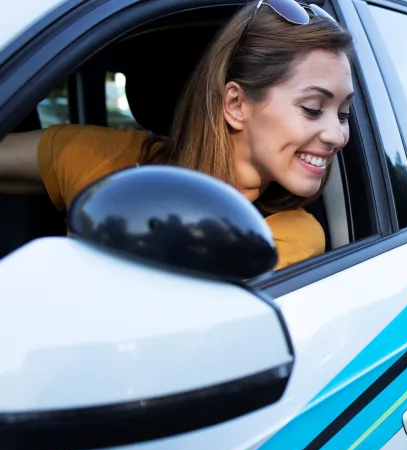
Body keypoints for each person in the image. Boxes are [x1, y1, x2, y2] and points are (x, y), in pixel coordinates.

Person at [0, 0, 355, 270]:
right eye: (312, 108)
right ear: (235, 104)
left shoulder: (288, 235)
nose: (338, 135)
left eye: (344, 114)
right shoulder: (108, 159)